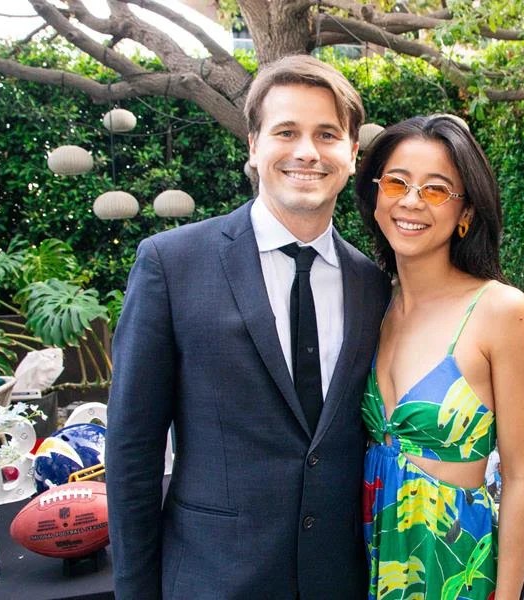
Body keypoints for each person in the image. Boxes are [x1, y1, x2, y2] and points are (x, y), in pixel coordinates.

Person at [106, 55, 391, 599]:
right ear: (254, 147)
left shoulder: (373, 285)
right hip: (213, 579)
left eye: (327, 134)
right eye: (287, 131)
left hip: (341, 582)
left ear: (352, 155)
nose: (307, 151)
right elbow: (132, 453)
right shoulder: (172, 263)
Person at [355, 115, 524, 599]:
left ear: (465, 213)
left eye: (437, 190)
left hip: (452, 567)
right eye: (397, 181)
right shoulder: (369, 303)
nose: (412, 201)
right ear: (376, 196)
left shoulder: (501, 312)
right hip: (366, 557)